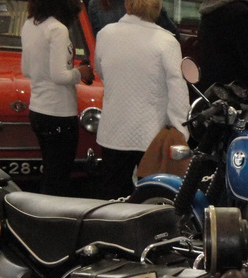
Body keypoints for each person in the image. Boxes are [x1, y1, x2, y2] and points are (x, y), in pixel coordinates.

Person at [93, 0, 189, 199]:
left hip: (113, 131)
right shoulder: (167, 41)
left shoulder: (105, 34)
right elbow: (178, 90)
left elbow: (101, 72)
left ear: (127, 5)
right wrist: (181, 131)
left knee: (111, 195)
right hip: (151, 135)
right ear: (158, 9)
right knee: (150, 196)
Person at [21, 0, 94, 196]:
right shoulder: (57, 29)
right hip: (59, 112)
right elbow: (59, 76)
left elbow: (26, 70)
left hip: (38, 108)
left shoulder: (29, 25)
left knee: (50, 172)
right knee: (58, 177)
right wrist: (80, 72)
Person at [87, 0, 179, 38]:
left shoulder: (95, 4)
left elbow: (98, 42)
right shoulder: (144, 3)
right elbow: (174, 35)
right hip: (145, 63)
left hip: (112, 66)